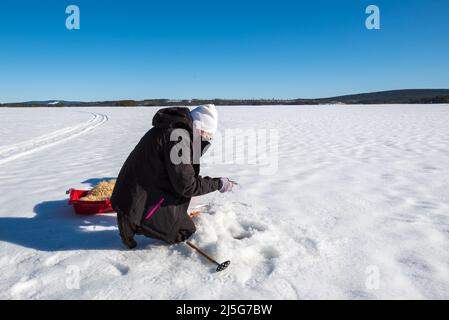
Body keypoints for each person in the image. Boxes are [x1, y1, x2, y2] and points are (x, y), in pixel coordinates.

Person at [110, 104, 235, 249]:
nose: (205, 139)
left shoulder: (171, 128)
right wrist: (218, 184)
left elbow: (182, 171)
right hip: (136, 198)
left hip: (130, 193)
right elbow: (187, 185)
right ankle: (136, 222)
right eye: (205, 135)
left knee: (180, 215)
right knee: (185, 231)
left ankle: (133, 218)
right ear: (197, 127)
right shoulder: (178, 139)